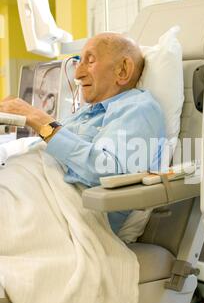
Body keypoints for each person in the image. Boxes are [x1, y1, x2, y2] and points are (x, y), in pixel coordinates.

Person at [0, 32, 166, 233]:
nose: (77, 74)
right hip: (26, 187)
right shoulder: (86, 112)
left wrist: (38, 119)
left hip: (62, 214)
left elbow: (105, 171)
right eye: (79, 62)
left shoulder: (138, 108)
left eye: (90, 61)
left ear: (123, 70)